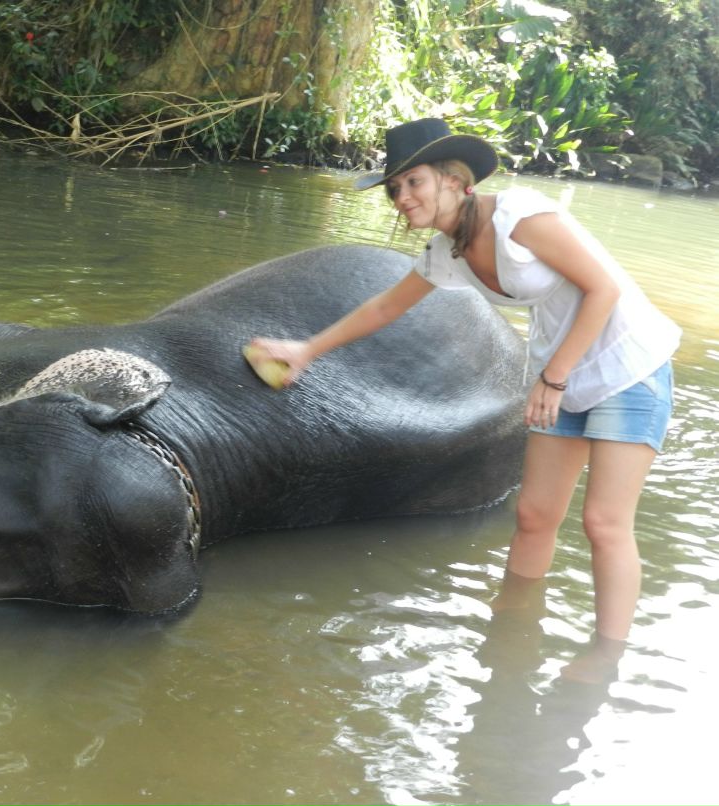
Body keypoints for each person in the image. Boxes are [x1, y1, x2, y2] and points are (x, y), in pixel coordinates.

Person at [249, 117, 681, 681]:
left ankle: (606, 656)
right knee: (533, 515)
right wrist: (307, 350)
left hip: (628, 364)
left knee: (603, 522)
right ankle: (512, 625)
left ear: (455, 180)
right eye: (394, 188)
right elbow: (384, 308)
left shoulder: (520, 216)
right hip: (562, 369)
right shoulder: (446, 251)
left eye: (414, 183)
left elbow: (605, 289)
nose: (402, 198)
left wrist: (553, 378)